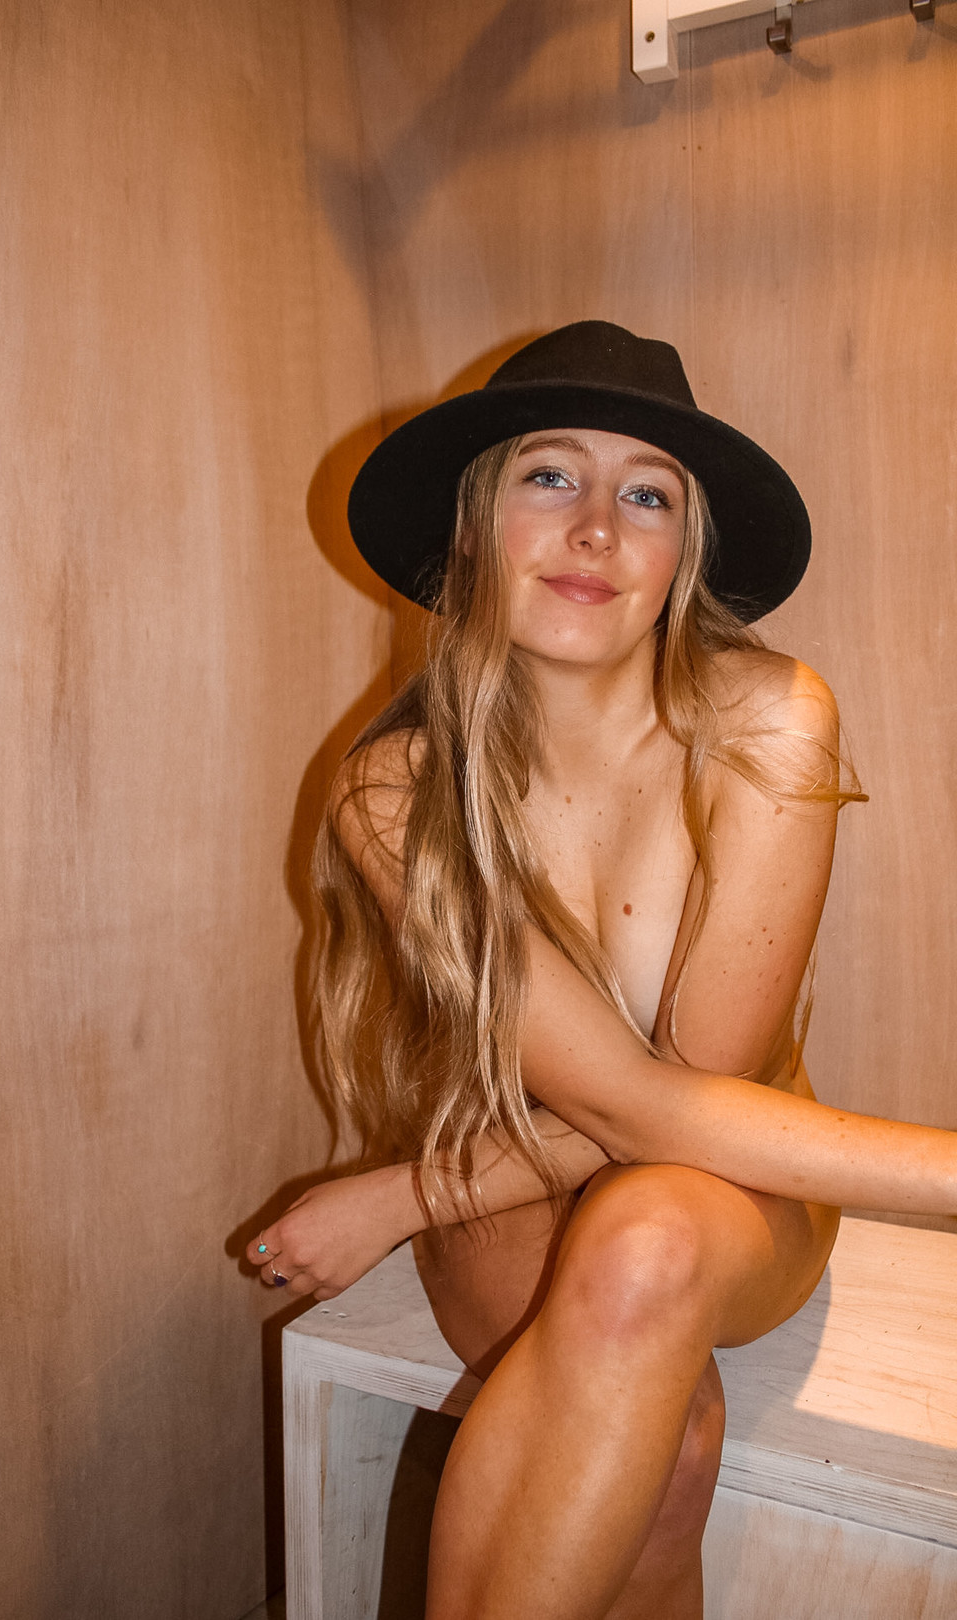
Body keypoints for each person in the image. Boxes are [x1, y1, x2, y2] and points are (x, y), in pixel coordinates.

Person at [249, 322, 957, 1620]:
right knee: (671, 1449)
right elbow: (618, 1104)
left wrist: (406, 1193)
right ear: (472, 528)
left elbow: (681, 1099)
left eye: (646, 496)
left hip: (734, 1186)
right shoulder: (394, 789)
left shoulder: (770, 720)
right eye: (548, 475)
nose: (594, 528)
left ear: (686, 553)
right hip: (508, 1159)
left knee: (648, 1230)